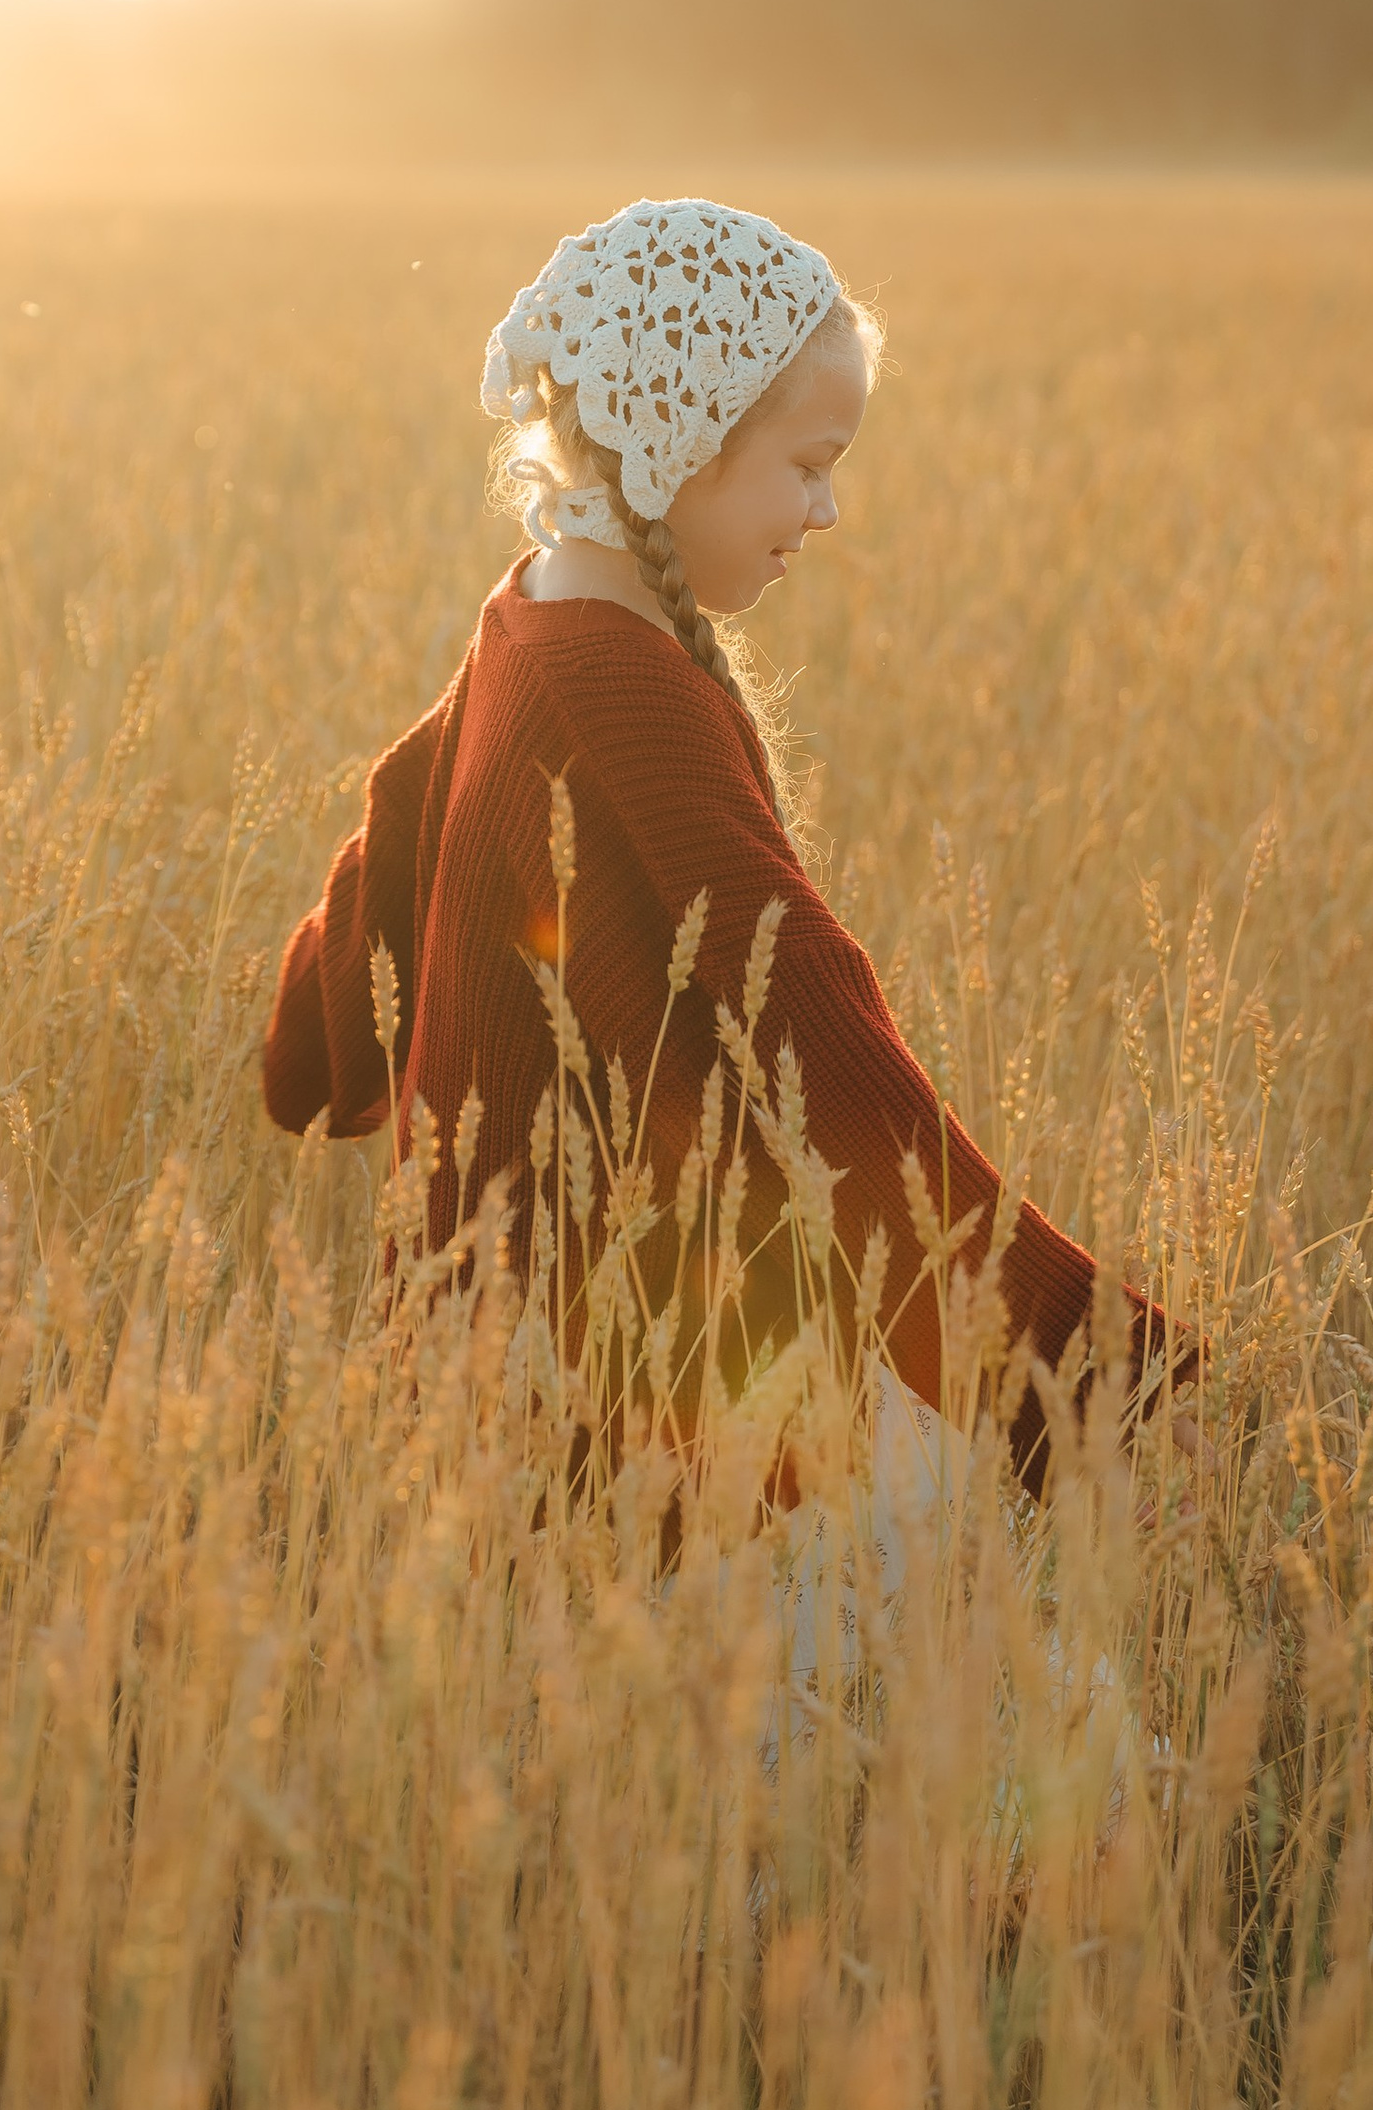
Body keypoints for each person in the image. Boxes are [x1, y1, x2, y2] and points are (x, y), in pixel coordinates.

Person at [260, 197, 1173, 1493]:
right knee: (946, 1682)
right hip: (653, 1411)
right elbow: (823, 1041)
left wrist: (313, 1049)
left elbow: (384, 867)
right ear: (680, 443)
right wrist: (1082, 1375)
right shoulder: (629, 693)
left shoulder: (529, 616)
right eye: (808, 464)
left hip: (517, 1371)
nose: (831, 508)